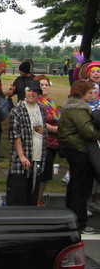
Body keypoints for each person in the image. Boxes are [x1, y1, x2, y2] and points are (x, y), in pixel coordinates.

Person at [58, 80, 100, 234]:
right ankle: (79, 222)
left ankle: (71, 218)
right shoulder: (79, 109)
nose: (91, 95)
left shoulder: (70, 106)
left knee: (75, 185)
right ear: (81, 94)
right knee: (81, 188)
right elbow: (89, 132)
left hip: (72, 149)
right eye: (89, 92)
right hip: (79, 150)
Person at [6, 80, 47, 206]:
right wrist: (22, 156)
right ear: (25, 92)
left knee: (33, 192)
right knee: (19, 193)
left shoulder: (41, 109)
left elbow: (42, 132)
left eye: (35, 91)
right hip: (22, 158)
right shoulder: (18, 110)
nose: (31, 94)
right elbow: (15, 135)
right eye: (29, 91)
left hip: (38, 157)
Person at [35, 75, 61, 205]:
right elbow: (38, 122)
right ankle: (36, 200)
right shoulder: (36, 102)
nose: (45, 87)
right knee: (42, 173)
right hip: (43, 141)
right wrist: (54, 129)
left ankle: (39, 198)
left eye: (47, 85)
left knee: (46, 173)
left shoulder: (50, 101)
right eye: (42, 85)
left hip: (53, 143)